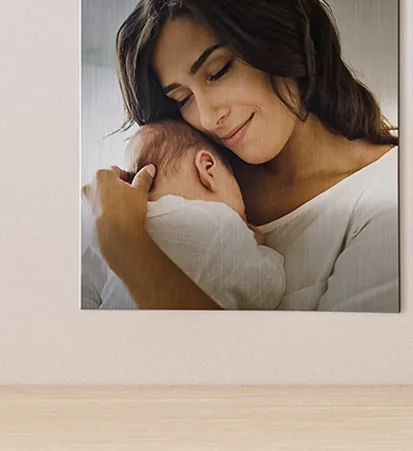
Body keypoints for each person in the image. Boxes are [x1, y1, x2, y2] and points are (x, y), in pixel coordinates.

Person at [81, 0, 399, 311]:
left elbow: (331, 361)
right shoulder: (184, 182)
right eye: (182, 98)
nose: (207, 118)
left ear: (279, 40)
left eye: (218, 71)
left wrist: (125, 245)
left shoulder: (387, 193)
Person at [82, 120, 285, 310]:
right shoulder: (220, 224)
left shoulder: (108, 228)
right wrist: (259, 245)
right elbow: (266, 291)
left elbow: (86, 290)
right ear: (207, 168)